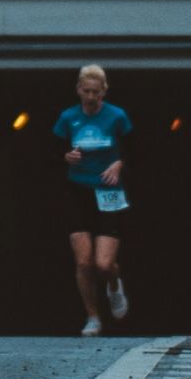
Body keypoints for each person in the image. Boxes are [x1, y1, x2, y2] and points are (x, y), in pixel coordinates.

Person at [51, 64, 132, 336]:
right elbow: (50, 150)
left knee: (103, 263)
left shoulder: (117, 117)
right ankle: (93, 317)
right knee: (84, 262)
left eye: (96, 92)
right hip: (77, 191)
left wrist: (119, 164)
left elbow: (137, 148)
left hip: (107, 191)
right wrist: (65, 156)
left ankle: (114, 283)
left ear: (104, 92)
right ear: (78, 90)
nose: (90, 97)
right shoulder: (68, 118)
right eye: (86, 91)